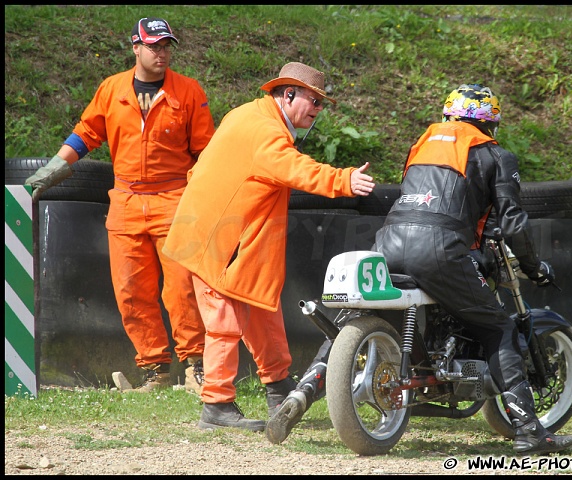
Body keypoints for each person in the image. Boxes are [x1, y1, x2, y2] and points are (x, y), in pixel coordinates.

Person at [267, 84, 572, 455]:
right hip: (440, 250)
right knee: (500, 328)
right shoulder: (496, 155)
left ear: (449, 116)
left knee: (359, 315)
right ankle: (529, 431)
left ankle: (303, 391)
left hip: (388, 243)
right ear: (491, 122)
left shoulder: (422, 146)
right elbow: (512, 224)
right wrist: (534, 265)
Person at [162, 61, 376, 432]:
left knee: (263, 313)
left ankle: (279, 388)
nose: (318, 109)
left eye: (321, 103)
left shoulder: (248, 115)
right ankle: (216, 404)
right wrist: (344, 179)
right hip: (221, 243)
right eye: (313, 100)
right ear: (288, 94)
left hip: (222, 238)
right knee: (225, 322)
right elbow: (295, 168)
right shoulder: (266, 132)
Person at [24, 17, 215, 395]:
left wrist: (202, 197)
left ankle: (197, 369)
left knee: (182, 289)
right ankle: (155, 371)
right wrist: (54, 167)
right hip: (126, 201)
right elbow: (86, 132)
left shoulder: (188, 91)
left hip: (175, 200)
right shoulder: (112, 89)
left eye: (166, 46)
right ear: (135, 47)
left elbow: (205, 151)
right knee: (131, 291)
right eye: (154, 46)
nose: (161, 53)